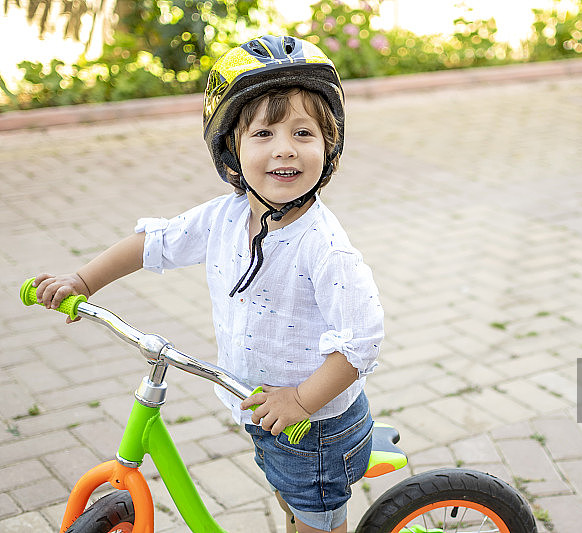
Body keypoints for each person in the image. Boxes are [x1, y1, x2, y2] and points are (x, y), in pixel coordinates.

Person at [33, 35, 383, 533]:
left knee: (315, 520)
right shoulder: (225, 216)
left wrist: (301, 399)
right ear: (231, 151)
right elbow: (154, 243)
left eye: (303, 133)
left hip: (315, 429)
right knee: (291, 500)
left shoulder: (325, 249)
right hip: (267, 411)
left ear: (328, 148)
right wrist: (84, 279)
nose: (285, 148)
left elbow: (362, 342)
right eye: (264, 134)